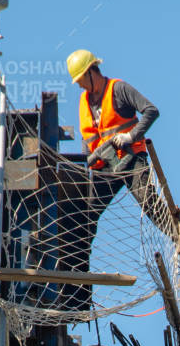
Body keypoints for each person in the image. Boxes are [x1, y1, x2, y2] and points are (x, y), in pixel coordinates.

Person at [60, 49, 166, 309]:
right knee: (83, 219)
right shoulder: (84, 102)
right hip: (104, 168)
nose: (81, 86)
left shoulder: (118, 89)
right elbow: (88, 145)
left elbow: (151, 110)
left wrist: (132, 136)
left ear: (91, 72)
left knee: (150, 205)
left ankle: (179, 240)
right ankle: (78, 295)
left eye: (82, 80)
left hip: (131, 159)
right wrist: (88, 165)